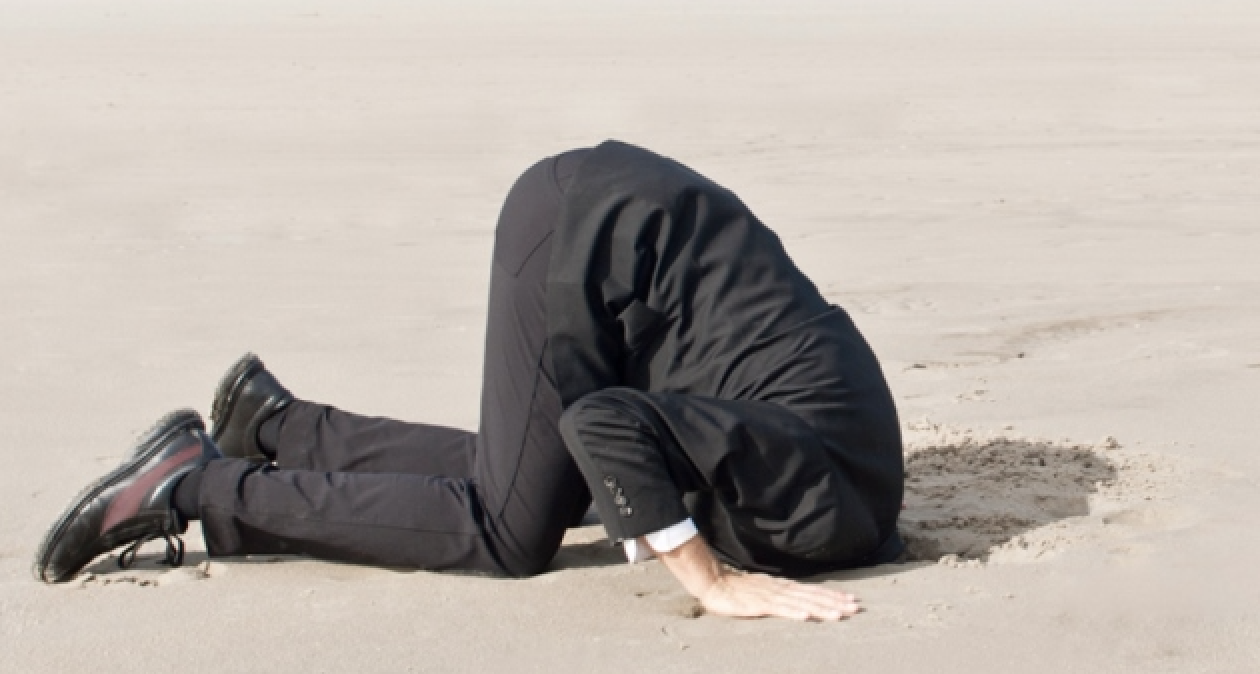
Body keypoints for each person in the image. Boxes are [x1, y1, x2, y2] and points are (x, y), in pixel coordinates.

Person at [33, 141, 904, 622]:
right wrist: (711, 579)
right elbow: (603, 423)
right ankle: (192, 485)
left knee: (551, 486)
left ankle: (276, 425)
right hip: (585, 239)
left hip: (624, 225)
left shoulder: (835, 477)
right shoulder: (808, 494)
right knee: (510, 531)